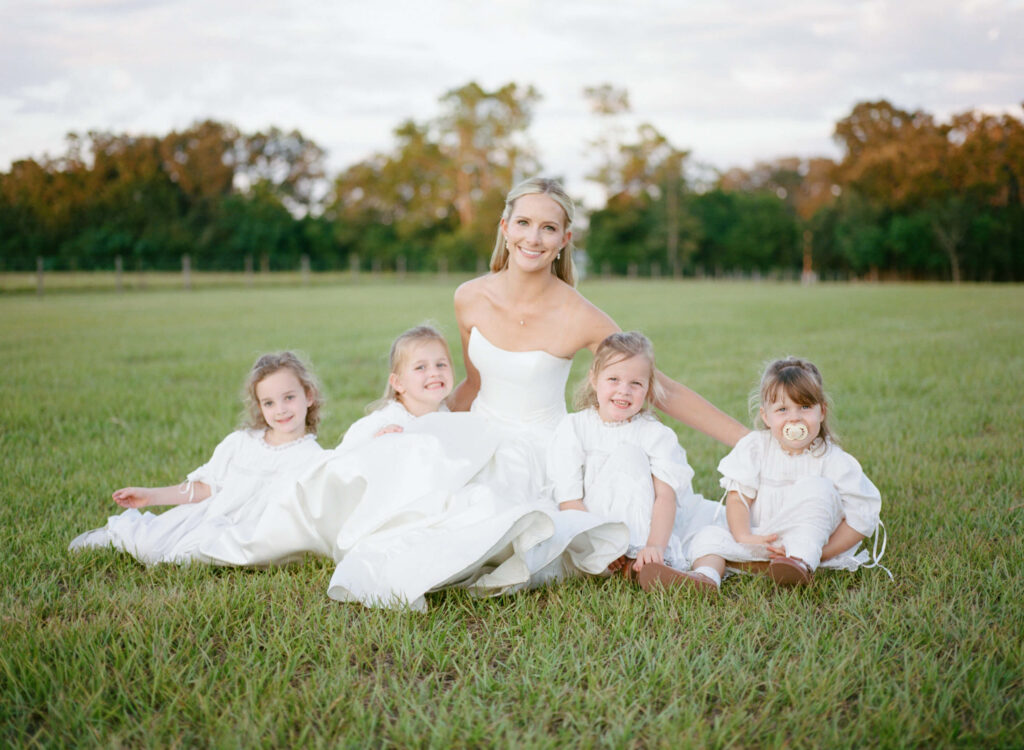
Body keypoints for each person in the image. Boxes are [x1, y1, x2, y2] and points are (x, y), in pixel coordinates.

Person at [449, 176, 749, 588]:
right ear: (505, 227)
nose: (533, 238)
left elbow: (661, 388)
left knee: (516, 538)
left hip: (542, 453)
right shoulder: (467, 297)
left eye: (548, 228)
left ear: (564, 239)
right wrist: (417, 426)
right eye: (523, 223)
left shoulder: (580, 314)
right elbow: (472, 384)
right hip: (480, 439)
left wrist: (749, 441)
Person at [68, 352, 327, 565]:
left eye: (289, 398)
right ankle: (118, 534)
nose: (280, 410)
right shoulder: (242, 442)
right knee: (154, 546)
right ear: (260, 407)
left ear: (309, 395)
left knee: (203, 552)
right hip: (213, 519)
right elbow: (205, 488)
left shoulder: (315, 459)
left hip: (256, 533)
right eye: (269, 403)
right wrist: (151, 496)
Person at [682, 357, 887, 592]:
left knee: (818, 489)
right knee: (708, 535)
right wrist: (744, 536)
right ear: (766, 417)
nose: (794, 418)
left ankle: (798, 563)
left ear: (822, 411)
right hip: (761, 540)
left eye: (805, 407)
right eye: (782, 409)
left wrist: (823, 553)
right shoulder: (755, 448)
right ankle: (706, 576)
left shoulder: (833, 460)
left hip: (810, 547)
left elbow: (862, 515)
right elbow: (738, 498)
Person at [547, 332, 706, 581]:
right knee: (625, 456)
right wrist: (602, 543)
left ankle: (642, 563)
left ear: (648, 388)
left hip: (644, 529)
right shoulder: (574, 428)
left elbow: (666, 497)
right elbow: (569, 500)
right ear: (593, 378)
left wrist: (655, 545)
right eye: (613, 379)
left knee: (630, 456)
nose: (624, 391)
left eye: (636, 384)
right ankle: (613, 563)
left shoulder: (654, 434)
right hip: (590, 530)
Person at [338, 324, 454, 449]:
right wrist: (377, 444)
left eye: (441, 364)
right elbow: (343, 460)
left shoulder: (447, 415)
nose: (435, 373)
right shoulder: (383, 423)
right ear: (398, 383)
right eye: (420, 367)